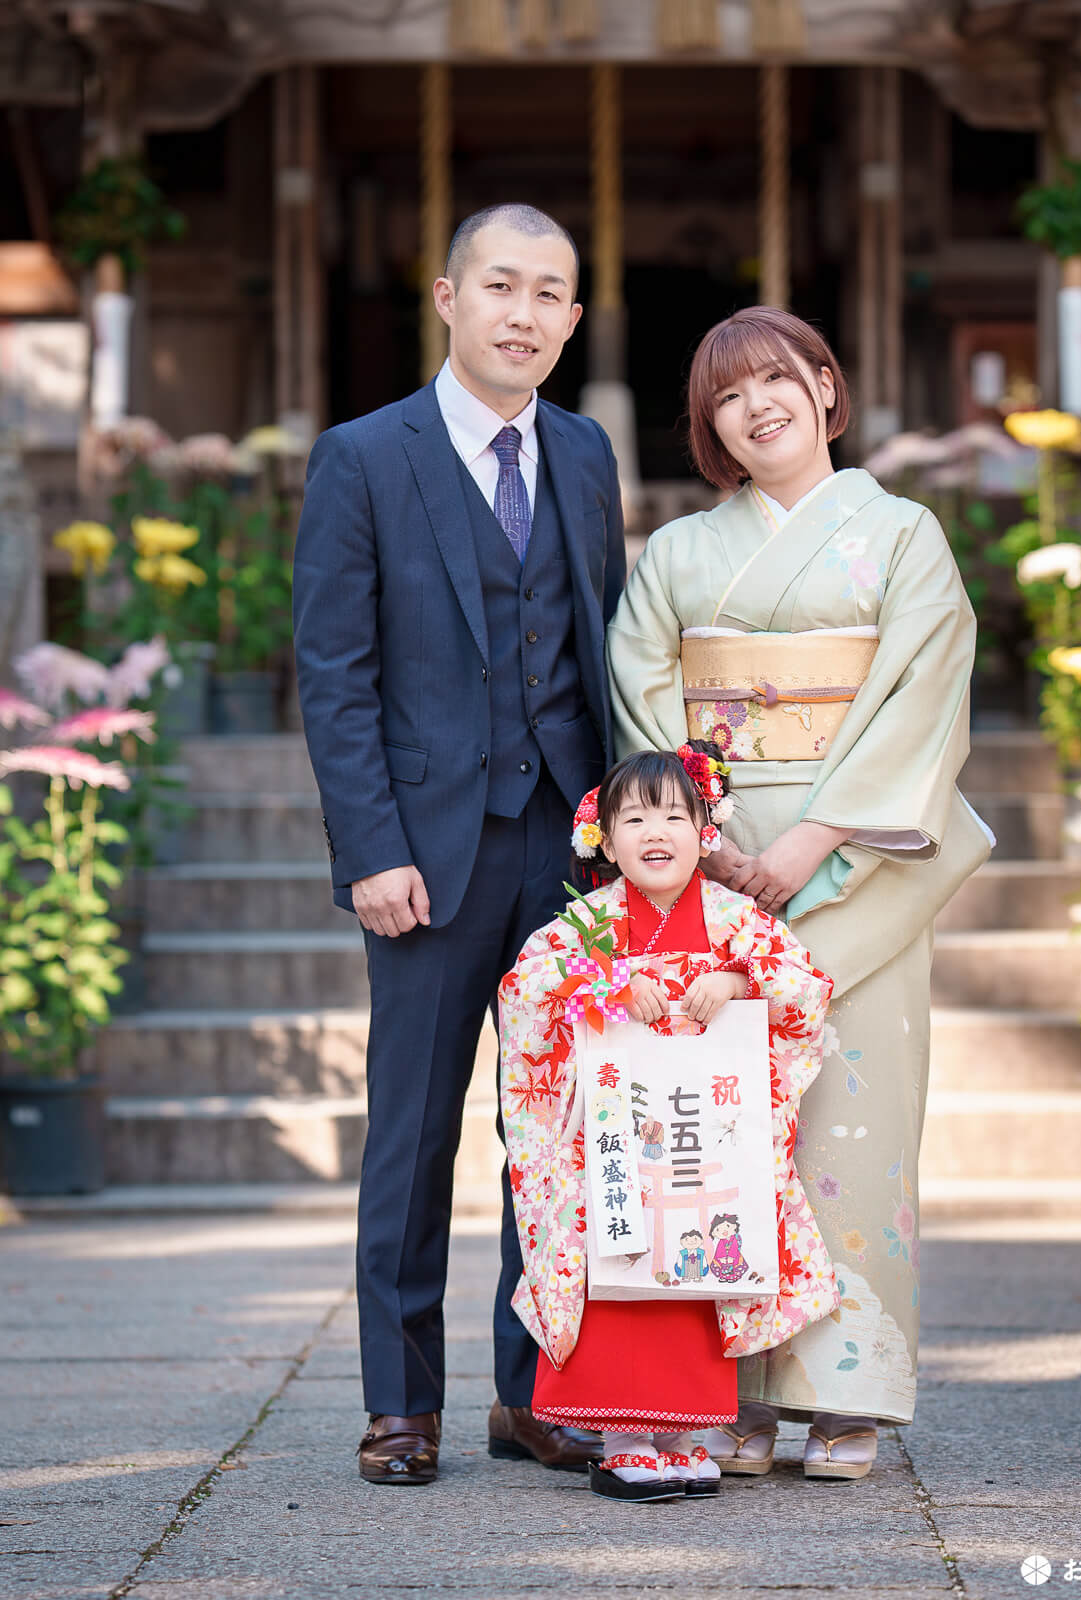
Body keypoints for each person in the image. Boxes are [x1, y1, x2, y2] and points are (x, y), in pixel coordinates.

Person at [606, 306, 994, 1482]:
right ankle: (729, 1387)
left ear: (826, 389)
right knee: (721, 1131)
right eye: (726, 395)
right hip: (715, 860)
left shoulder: (903, 536)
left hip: (859, 856)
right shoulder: (676, 554)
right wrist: (703, 841)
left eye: (778, 378)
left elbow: (921, 694)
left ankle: (847, 1390)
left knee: (852, 1128)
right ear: (708, 427)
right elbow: (641, 693)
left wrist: (807, 844)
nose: (755, 405)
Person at [293, 203, 625, 1485]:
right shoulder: (363, 458)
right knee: (414, 1129)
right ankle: (400, 1401)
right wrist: (370, 848)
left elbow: (597, 639)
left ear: (574, 320)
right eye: (501, 285)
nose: (523, 312)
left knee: (550, 1128)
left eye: (550, 293)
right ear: (447, 297)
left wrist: (625, 836)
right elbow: (332, 672)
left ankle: (530, 1387)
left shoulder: (588, 453)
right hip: (426, 853)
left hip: (568, 846)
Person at [496, 744, 839, 1501]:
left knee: (693, 1272)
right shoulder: (587, 925)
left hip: (697, 1146)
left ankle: (683, 1433)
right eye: (636, 817)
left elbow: (804, 986)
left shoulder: (730, 919)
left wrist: (739, 977)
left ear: (705, 832)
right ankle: (622, 1437)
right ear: (605, 839)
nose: (658, 831)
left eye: (677, 815)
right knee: (620, 1271)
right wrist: (607, 985)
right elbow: (526, 990)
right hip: (615, 1149)